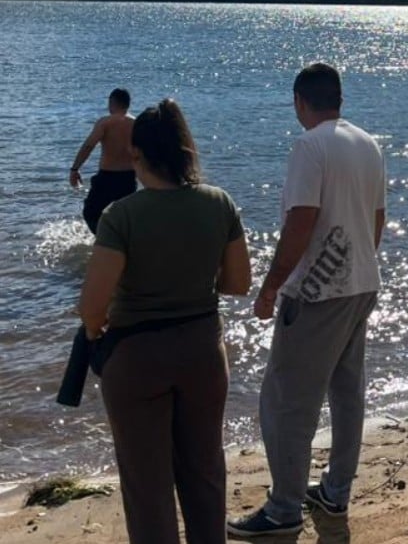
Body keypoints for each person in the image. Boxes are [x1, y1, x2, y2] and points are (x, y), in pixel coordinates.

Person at [78, 98, 251, 544]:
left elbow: (93, 306)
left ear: (137, 155)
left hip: (137, 358)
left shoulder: (122, 216)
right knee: (205, 472)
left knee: (147, 485)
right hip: (202, 351)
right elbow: (237, 283)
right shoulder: (220, 203)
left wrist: (98, 338)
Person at [227, 63, 386, 537]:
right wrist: (357, 265)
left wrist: (271, 285)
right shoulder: (369, 144)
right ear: (338, 98)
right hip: (361, 283)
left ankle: (284, 508)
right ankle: (335, 492)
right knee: (345, 393)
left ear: (300, 100)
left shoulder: (309, 145)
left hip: (317, 292)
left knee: (285, 402)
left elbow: (301, 221)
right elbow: (377, 219)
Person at [69, 88, 138, 234]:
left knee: (91, 213)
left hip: (107, 178)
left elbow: (89, 146)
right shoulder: (137, 124)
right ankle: (120, 244)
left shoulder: (105, 123)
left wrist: (75, 169)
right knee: (124, 218)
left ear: (112, 102)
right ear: (128, 104)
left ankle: (105, 241)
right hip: (129, 178)